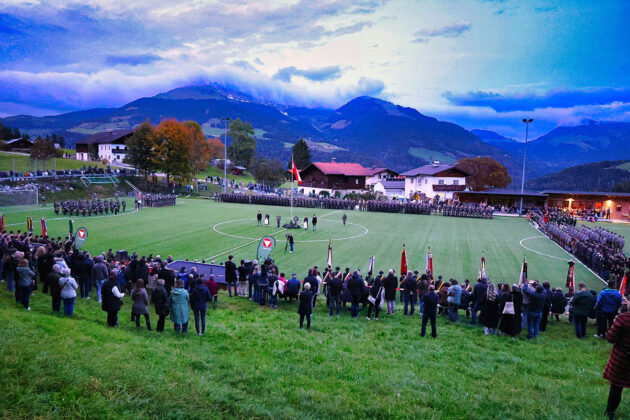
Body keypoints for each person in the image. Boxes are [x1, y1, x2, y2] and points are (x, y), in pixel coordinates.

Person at [603, 307, 630, 420]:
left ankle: (610, 413)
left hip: (623, 358)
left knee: (616, 387)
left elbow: (611, 338)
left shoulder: (624, 318)